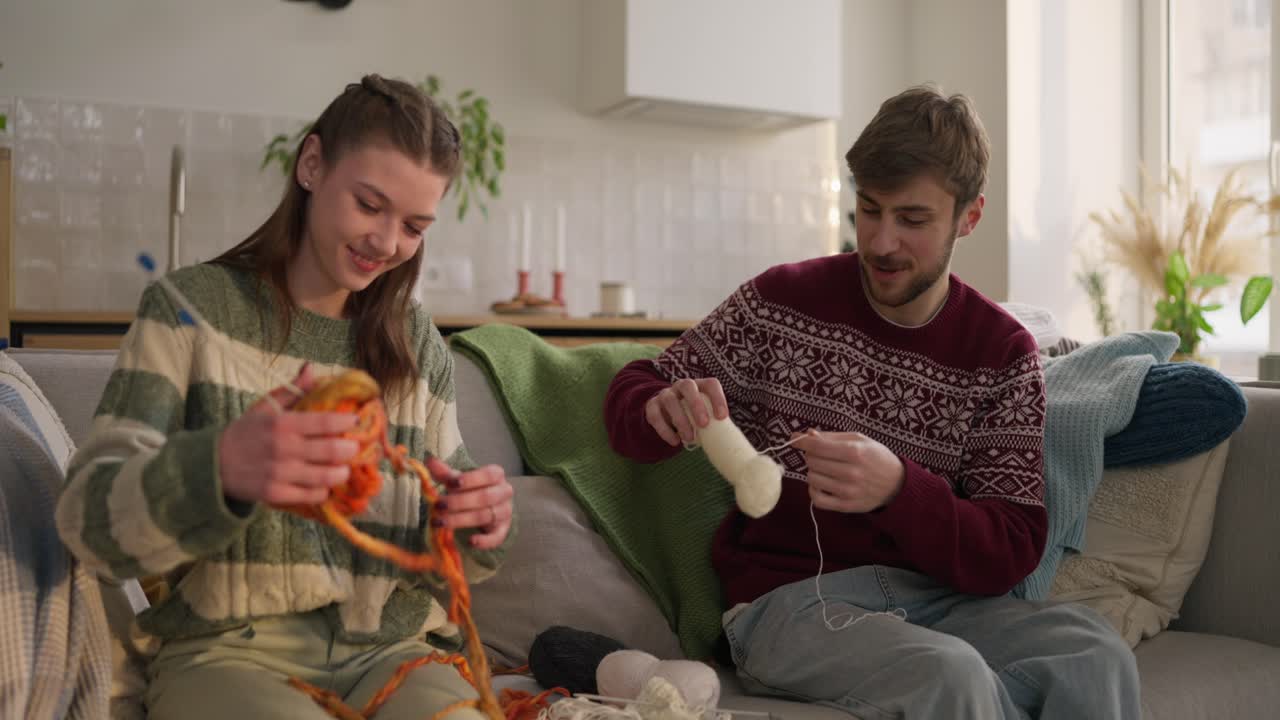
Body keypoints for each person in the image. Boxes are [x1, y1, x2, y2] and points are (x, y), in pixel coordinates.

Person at [604, 85, 1139, 719]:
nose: (882, 242)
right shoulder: (780, 301)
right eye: (868, 209)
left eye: (912, 219)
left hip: (939, 604)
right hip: (789, 607)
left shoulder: (1002, 354)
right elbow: (639, 390)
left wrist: (900, 491)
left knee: (1095, 654)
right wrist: (660, 407)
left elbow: (1011, 549)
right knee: (950, 673)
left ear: (969, 217)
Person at [55, 75, 514, 720]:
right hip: (228, 656)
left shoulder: (417, 343)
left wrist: (478, 524)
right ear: (312, 164)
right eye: (369, 205)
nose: (387, 243)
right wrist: (221, 469)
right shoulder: (189, 312)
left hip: (395, 652)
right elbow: (88, 523)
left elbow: (450, 548)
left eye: (414, 226)